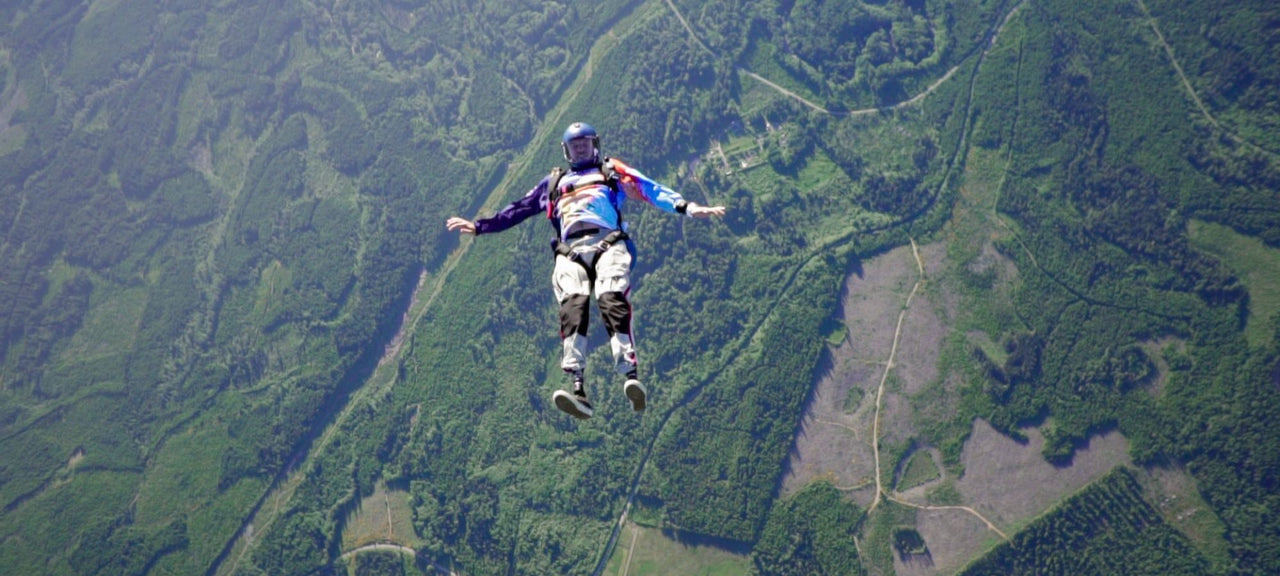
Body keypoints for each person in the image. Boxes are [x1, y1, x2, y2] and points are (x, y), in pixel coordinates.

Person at [446, 122, 725, 419]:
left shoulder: (611, 172)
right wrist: (480, 226)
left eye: (585, 143)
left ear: (595, 145)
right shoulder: (553, 183)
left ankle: (630, 372)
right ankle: (578, 387)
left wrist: (686, 207)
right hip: (570, 250)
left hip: (608, 241)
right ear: (566, 151)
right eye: (574, 145)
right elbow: (520, 208)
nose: (580, 149)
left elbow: (648, 188)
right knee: (573, 303)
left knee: (610, 295)